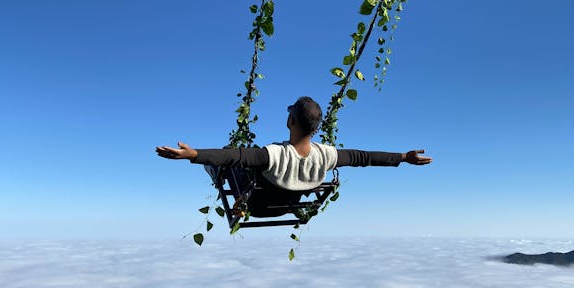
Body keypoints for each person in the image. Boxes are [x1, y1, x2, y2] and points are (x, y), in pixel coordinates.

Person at [156, 96, 432, 192]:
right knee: (236, 158)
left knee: (229, 161)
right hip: (288, 198)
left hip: (262, 200)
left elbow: (236, 156)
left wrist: (192, 155)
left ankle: (211, 172)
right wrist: (402, 157)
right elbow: (363, 157)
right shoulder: (327, 156)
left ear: (291, 123)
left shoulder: (273, 156)